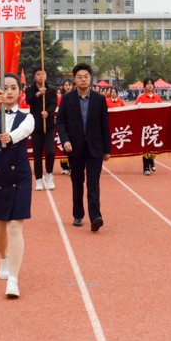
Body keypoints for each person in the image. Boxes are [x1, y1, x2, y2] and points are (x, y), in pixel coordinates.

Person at [0, 72, 35, 298]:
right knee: (0, 227)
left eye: (14, 88)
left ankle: (13, 279)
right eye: (5, 88)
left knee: (15, 226)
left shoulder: (28, 116)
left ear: (20, 92)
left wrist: (11, 136)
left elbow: (25, 131)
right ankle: (3, 259)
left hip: (20, 174)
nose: (10, 92)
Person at [56, 63, 111, 232]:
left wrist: (107, 149)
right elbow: (60, 122)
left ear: (90, 78)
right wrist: (65, 140)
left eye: (86, 76)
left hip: (95, 148)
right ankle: (78, 214)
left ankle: (95, 217)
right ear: (74, 79)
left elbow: (105, 125)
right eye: (79, 77)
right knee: (77, 182)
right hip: (75, 148)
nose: (83, 79)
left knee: (93, 183)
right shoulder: (67, 99)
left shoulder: (99, 99)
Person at [25, 66, 58, 191]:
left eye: (43, 74)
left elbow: (53, 104)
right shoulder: (30, 90)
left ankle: (49, 174)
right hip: (35, 126)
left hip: (48, 125)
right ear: (35, 76)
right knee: (37, 154)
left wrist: (48, 112)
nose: (41, 76)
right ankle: (38, 179)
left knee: (50, 151)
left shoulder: (51, 90)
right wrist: (38, 94)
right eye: (38, 74)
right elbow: (29, 101)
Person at [135, 77, 163, 175]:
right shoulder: (141, 98)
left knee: (153, 146)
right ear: (144, 86)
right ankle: (146, 168)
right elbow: (135, 111)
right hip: (145, 127)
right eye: (147, 84)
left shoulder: (157, 97)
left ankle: (151, 161)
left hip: (155, 127)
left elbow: (162, 110)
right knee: (146, 147)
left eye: (151, 84)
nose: (150, 85)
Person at [57, 78, 74, 175]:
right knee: (62, 145)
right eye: (66, 85)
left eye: (69, 85)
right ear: (63, 86)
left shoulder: (75, 97)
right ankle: (64, 167)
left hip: (72, 125)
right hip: (63, 124)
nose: (68, 87)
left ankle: (72, 167)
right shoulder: (60, 98)